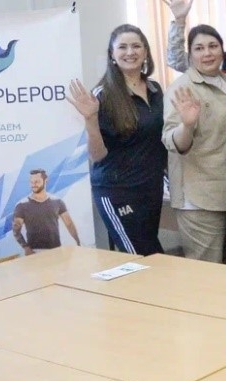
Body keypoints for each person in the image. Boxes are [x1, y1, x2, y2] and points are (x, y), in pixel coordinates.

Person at [68, 24, 166, 255]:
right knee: (145, 258)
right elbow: (97, 156)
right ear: (112, 55)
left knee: (150, 256)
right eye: (122, 47)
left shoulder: (155, 89)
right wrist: (90, 118)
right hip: (118, 191)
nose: (130, 52)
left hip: (151, 188)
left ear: (145, 52)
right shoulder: (102, 95)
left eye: (136, 46)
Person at [162, 24, 226, 263]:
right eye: (199, 48)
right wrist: (187, 125)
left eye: (212, 46)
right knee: (206, 272)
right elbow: (173, 141)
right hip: (199, 198)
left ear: (222, 50)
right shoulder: (182, 88)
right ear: (190, 54)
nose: (207, 53)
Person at [12, 169, 80, 253]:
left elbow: (69, 224)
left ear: (45, 181)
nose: (34, 184)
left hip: (56, 250)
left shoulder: (57, 201)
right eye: (31, 182)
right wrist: (26, 248)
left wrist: (78, 241)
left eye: (37, 181)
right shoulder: (22, 205)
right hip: (35, 251)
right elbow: (16, 230)